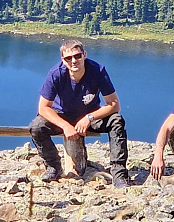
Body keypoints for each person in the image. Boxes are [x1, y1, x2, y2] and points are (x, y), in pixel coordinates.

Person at [29, 40, 130, 187]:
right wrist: (65, 126)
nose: (73, 61)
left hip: (90, 115)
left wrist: (89, 118)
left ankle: (119, 174)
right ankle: (53, 167)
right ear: (63, 60)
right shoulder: (55, 74)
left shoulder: (97, 71)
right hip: (61, 115)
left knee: (116, 120)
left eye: (77, 56)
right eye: (68, 58)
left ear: (84, 55)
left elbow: (114, 104)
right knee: (36, 127)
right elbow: (43, 108)